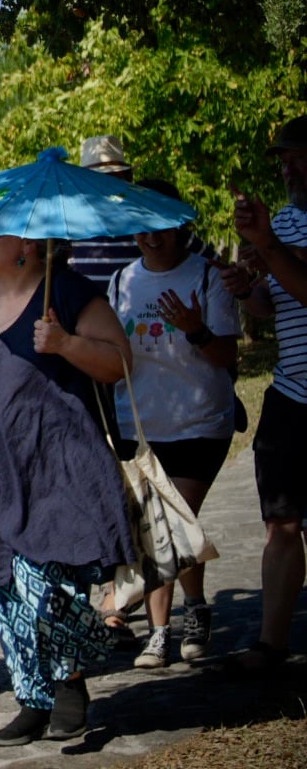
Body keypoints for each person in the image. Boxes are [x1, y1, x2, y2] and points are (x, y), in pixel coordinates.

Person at [0, 232, 134, 746]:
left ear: (29, 246)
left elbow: (122, 362)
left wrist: (65, 344)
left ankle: (70, 685)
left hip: (55, 463)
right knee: (3, 587)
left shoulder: (71, 292)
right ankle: (32, 699)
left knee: (46, 580)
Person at [105, 180, 239, 668]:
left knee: (170, 519)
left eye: (161, 226)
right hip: (140, 422)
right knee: (157, 527)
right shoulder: (120, 282)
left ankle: (180, 622)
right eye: (141, 226)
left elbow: (227, 354)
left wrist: (195, 329)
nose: (151, 236)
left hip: (200, 420)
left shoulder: (209, 279)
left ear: (182, 226)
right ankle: (172, 624)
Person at [222, 113, 307, 675]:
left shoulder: (281, 230)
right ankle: (271, 645)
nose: (286, 168)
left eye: (296, 157)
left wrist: (270, 246)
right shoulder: (286, 220)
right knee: (281, 524)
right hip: (290, 393)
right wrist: (245, 289)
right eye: (281, 159)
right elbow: (275, 307)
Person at [68, 136, 142, 289]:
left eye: (112, 179)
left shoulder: (150, 222)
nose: (105, 187)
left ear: (127, 180)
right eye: (97, 180)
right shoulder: (69, 227)